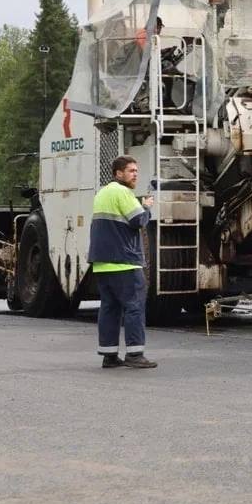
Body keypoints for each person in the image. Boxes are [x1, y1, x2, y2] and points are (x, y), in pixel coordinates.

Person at [89, 155, 157, 369]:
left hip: (102, 263)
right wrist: (145, 206)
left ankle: (109, 355)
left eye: (136, 170)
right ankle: (135, 354)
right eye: (131, 171)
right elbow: (138, 221)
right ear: (118, 173)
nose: (135, 174)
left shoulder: (102, 193)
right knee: (134, 307)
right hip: (124, 262)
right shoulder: (123, 192)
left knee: (109, 308)